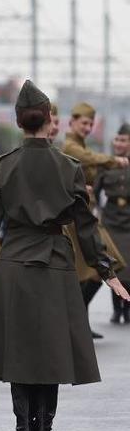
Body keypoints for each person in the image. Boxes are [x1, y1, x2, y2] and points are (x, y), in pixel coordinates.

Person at [0, 80, 130, 431]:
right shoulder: (69, 167)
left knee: (20, 351)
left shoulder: (4, 166)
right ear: (48, 121)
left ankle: (23, 430)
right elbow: (85, 226)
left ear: (19, 122)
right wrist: (106, 272)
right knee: (50, 350)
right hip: (56, 261)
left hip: (14, 263)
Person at [62, 102, 129, 334]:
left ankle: (78, 320)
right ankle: (76, 321)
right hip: (75, 217)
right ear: (71, 122)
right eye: (84, 123)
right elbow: (85, 157)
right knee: (99, 265)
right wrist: (115, 161)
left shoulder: (80, 144)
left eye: (91, 124)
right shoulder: (70, 145)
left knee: (98, 266)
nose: (88, 127)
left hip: (86, 215)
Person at [94, 123, 130, 324]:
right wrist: (99, 212)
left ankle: (128, 308)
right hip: (112, 220)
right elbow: (97, 192)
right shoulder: (107, 165)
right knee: (115, 265)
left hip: (129, 220)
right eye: (117, 140)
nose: (119, 144)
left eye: (123, 140)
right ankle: (117, 309)